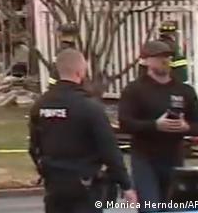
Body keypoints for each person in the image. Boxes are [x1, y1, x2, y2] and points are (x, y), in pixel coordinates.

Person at [30, 48, 137, 212]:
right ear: (80, 72)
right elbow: (109, 149)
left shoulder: (41, 105)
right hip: (84, 185)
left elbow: (34, 146)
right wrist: (126, 184)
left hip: (54, 184)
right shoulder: (89, 107)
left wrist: (44, 169)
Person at [119, 40, 198, 208]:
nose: (164, 60)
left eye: (167, 56)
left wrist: (186, 127)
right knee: (150, 206)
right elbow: (125, 123)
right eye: (159, 57)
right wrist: (155, 125)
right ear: (147, 60)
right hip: (145, 157)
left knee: (174, 207)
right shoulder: (134, 90)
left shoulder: (183, 90)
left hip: (174, 156)